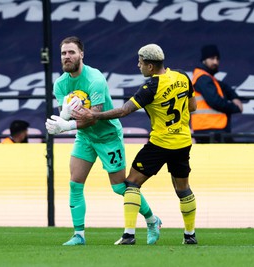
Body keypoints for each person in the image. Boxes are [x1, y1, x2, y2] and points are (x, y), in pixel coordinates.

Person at [72, 44, 198, 245]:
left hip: (160, 144)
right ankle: (190, 235)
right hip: (183, 142)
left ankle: (129, 235)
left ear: (149, 67)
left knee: (131, 184)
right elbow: (192, 106)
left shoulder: (151, 87)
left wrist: (93, 114)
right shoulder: (182, 76)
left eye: (140, 62)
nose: (137, 65)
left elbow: (123, 111)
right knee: (183, 189)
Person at [45, 36, 160, 246]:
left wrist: (66, 126)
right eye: (63, 53)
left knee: (119, 188)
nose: (67, 57)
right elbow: (67, 115)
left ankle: (152, 220)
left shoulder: (95, 79)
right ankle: (78, 235)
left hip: (107, 137)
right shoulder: (60, 84)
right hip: (85, 138)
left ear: (81, 54)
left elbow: (92, 117)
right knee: (75, 184)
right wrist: (58, 123)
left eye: (71, 52)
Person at [191, 44, 243, 143]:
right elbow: (215, 101)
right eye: (212, 58)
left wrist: (234, 97)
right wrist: (236, 107)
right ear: (204, 60)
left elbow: (224, 87)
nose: (215, 62)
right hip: (209, 130)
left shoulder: (207, 78)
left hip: (210, 129)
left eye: (217, 59)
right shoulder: (203, 78)